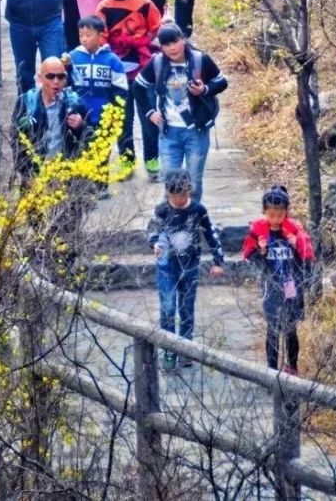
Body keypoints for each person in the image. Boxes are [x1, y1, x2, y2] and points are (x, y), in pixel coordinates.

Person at [135, 24, 227, 205]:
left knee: (194, 182)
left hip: (196, 131)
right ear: (161, 47)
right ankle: (169, 221)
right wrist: (150, 112)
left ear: (183, 40)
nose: (172, 47)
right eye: (166, 44)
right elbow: (138, 87)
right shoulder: (157, 63)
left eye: (175, 41)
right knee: (170, 182)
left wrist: (204, 90)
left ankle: (193, 218)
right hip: (168, 132)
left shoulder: (201, 60)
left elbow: (222, 82)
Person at [146, 168, 224, 370]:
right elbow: (152, 229)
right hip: (167, 266)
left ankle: (186, 348)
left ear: (189, 191)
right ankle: (169, 348)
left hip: (190, 266)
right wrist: (154, 243)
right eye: (174, 196)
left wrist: (218, 260)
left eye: (183, 195)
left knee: (186, 308)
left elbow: (211, 234)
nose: (179, 200)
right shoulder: (162, 210)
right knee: (168, 307)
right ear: (168, 193)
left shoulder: (198, 210)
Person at [97, 0, 162, 178]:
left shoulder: (143, 4)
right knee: (122, 119)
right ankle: (126, 160)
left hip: (143, 71)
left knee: (149, 116)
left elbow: (155, 29)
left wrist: (143, 46)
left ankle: (152, 159)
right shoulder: (103, 8)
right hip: (117, 73)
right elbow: (100, 38)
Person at [242, 186, 315, 376]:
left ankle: (292, 367)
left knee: (290, 329)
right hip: (271, 286)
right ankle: (272, 371)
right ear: (265, 212)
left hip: (291, 285)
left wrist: (295, 243)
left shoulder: (294, 231)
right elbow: (250, 256)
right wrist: (262, 251)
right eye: (271, 214)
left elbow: (306, 256)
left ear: (286, 212)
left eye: (280, 215)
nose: (275, 219)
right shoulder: (258, 232)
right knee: (272, 329)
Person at [12, 55, 81, 178]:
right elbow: (15, 139)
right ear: (40, 78)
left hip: (66, 175)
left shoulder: (73, 102)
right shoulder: (27, 102)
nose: (56, 81)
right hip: (35, 176)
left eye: (61, 77)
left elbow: (90, 135)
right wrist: (26, 173)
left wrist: (80, 125)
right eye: (50, 76)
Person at [67, 15, 128, 135]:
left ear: (100, 35)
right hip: (77, 117)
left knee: (101, 151)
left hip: (104, 117)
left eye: (88, 35)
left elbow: (121, 90)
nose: (84, 39)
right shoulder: (72, 57)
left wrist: (113, 113)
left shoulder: (112, 60)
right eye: (81, 35)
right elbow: (65, 85)